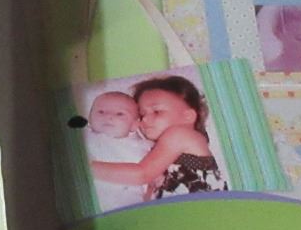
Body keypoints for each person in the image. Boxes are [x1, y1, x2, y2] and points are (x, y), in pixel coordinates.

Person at [90, 76, 227, 198]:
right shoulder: (158, 150)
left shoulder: (180, 135)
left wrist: (89, 169)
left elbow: (142, 174)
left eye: (156, 112)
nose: (145, 119)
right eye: (142, 115)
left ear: (188, 116)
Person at [82, 90, 153, 211]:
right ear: (90, 117)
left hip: (127, 206)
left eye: (120, 114)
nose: (108, 116)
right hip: (90, 202)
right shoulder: (84, 137)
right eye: (101, 112)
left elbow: (152, 175)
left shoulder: (142, 147)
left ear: (134, 125)